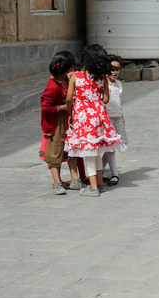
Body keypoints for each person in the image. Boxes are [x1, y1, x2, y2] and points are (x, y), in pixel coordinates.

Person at [65, 44, 126, 197]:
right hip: (99, 116)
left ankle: (93, 188)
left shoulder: (76, 76)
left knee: (88, 151)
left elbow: (68, 98)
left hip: (82, 116)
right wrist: (95, 100)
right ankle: (99, 183)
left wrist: (71, 112)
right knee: (96, 150)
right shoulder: (102, 78)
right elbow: (105, 99)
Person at [40, 51, 83, 194]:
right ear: (66, 70)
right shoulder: (52, 86)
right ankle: (57, 182)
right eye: (72, 68)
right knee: (55, 153)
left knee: (71, 149)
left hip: (68, 120)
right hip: (55, 124)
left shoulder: (66, 80)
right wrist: (64, 107)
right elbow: (46, 108)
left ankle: (75, 179)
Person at [102, 55, 127, 186]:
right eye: (111, 69)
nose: (114, 72)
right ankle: (115, 174)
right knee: (110, 148)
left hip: (117, 119)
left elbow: (118, 102)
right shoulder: (103, 83)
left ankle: (99, 170)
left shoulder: (118, 84)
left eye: (117, 69)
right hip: (107, 120)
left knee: (111, 148)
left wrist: (121, 116)